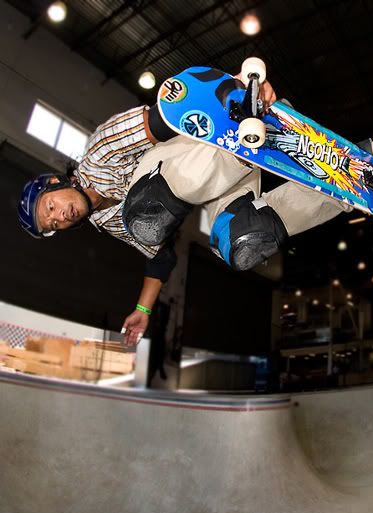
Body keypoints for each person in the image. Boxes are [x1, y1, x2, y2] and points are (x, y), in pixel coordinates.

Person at [18, 72, 346, 346]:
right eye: (54, 223)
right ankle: (344, 188)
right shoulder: (109, 222)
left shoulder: (99, 153)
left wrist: (236, 91)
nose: (60, 216)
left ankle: (249, 125)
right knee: (240, 243)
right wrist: (143, 311)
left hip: (215, 136)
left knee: (143, 208)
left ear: (55, 183)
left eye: (51, 206)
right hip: (226, 175)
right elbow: (161, 258)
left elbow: (165, 117)